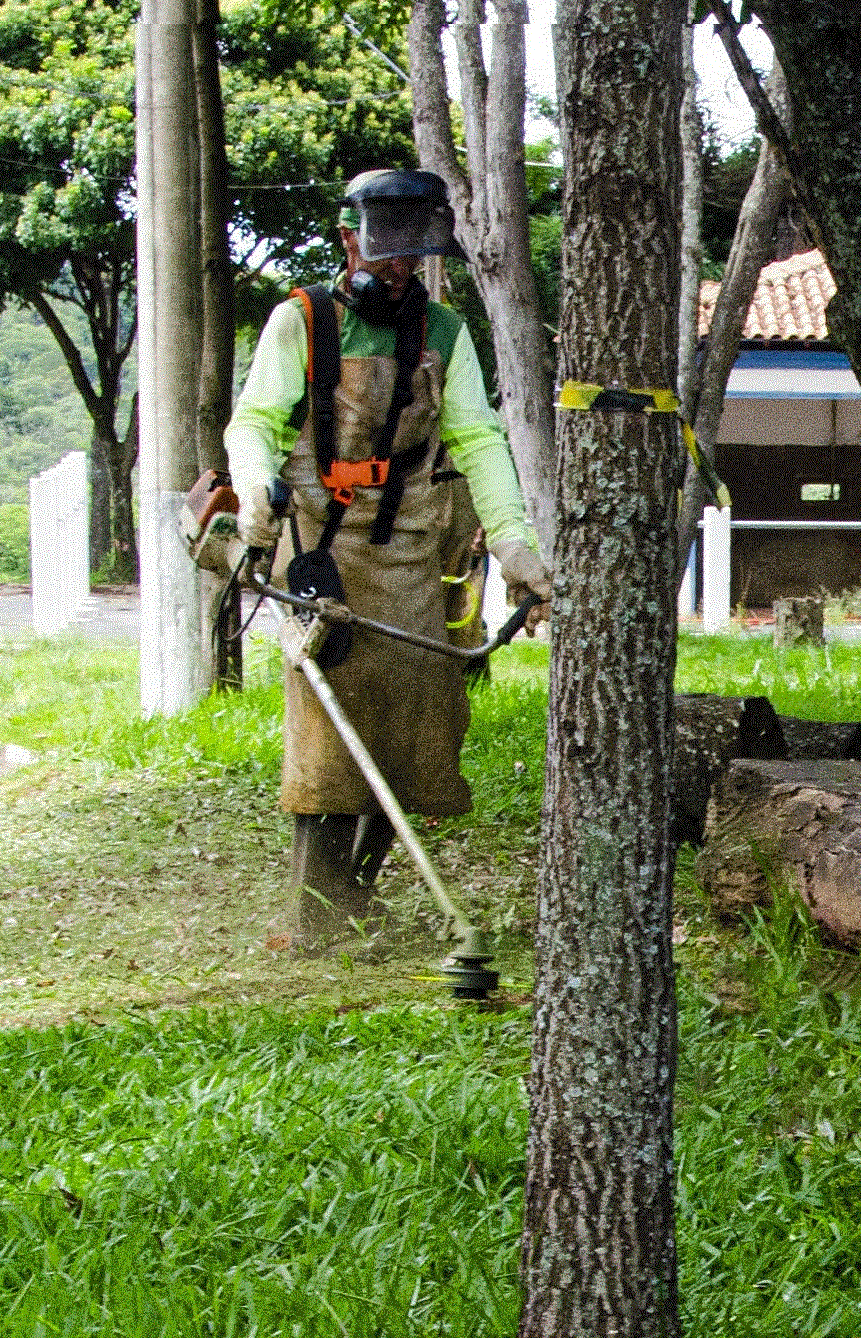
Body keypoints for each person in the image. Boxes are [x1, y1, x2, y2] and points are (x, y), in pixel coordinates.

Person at [225, 168, 556, 946]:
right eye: (385, 255)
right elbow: (255, 421)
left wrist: (513, 542)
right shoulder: (298, 321)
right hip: (318, 545)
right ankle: (313, 908)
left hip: (407, 545)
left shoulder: (443, 332)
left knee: (421, 722)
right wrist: (251, 490)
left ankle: (353, 891)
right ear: (347, 240)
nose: (399, 271)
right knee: (329, 725)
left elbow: (476, 436)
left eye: (413, 257)